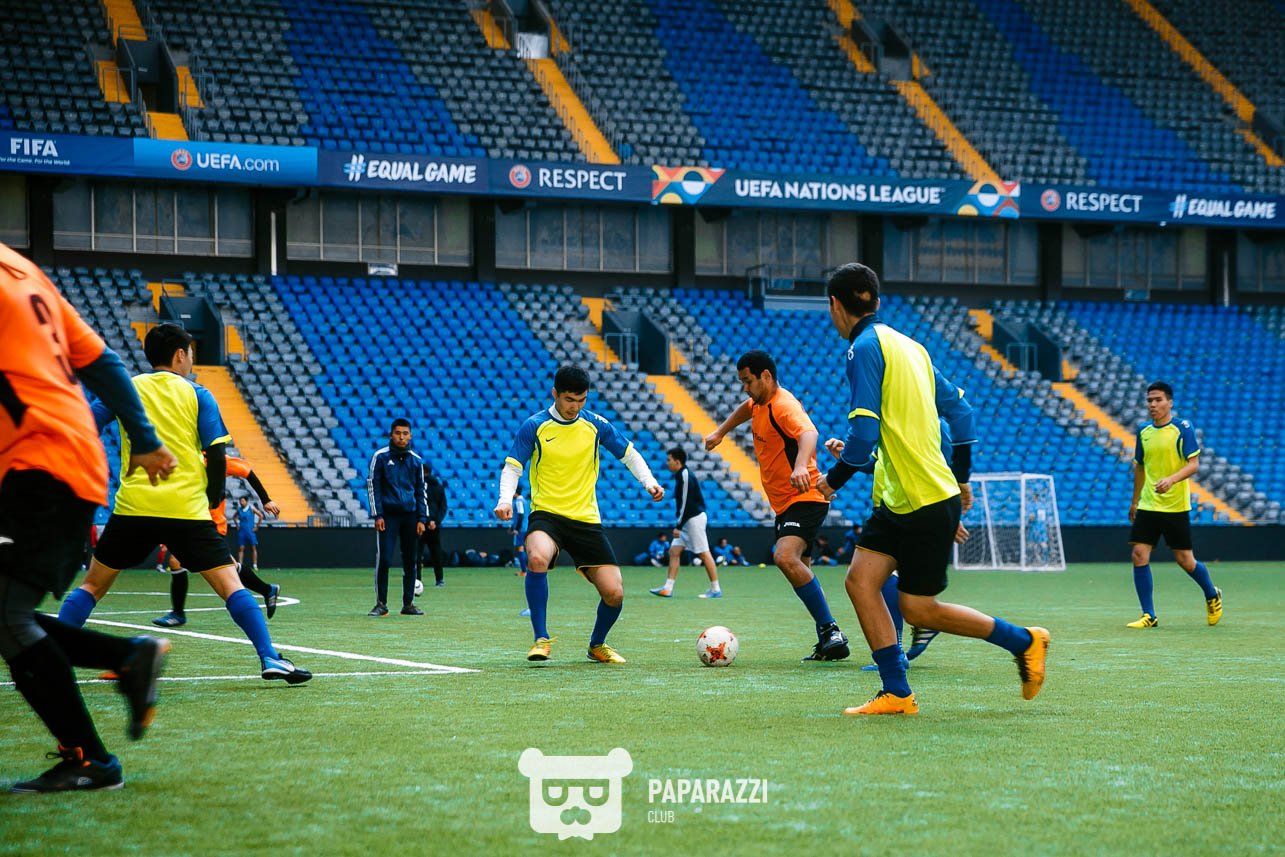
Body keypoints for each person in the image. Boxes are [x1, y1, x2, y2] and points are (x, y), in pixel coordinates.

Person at [816, 262, 1046, 715]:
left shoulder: (863, 348)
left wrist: (831, 480)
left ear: (835, 305)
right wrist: (962, 476)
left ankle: (1025, 641)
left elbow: (864, 434)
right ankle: (897, 692)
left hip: (922, 501)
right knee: (861, 582)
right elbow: (962, 412)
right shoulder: (912, 347)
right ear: (876, 301)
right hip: (905, 500)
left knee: (920, 610)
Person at [0, 244, 175, 792]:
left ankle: (91, 759)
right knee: (5, 610)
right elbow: (103, 362)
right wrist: (143, 438)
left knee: (7, 615)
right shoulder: (22, 269)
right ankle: (129, 657)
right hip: (64, 461)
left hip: (36, 466)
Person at [57, 322, 310, 686]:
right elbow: (217, 453)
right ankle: (270, 657)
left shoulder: (126, 387)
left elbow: (86, 427)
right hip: (186, 511)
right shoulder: (198, 394)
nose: (192, 360)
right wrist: (214, 496)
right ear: (180, 354)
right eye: (191, 353)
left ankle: (50, 660)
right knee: (231, 585)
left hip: (134, 507)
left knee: (92, 586)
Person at [494, 364, 665, 664]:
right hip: (547, 515)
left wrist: (649, 482)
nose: (575, 406)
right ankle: (541, 638)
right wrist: (505, 499)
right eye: (569, 400)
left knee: (614, 593)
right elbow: (513, 467)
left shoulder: (595, 425)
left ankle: (597, 645)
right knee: (537, 558)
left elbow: (628, 454)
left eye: (581, 400)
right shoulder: (534, 426)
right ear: (555, 394)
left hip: (586, 519)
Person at [704, 350, 851, 662]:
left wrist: (800, 466)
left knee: (784, 557)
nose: (745, 388)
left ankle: (830, 630)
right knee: (802, 570)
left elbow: (809, 433)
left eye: (748, 381)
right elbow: (745, 409)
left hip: (804, 496)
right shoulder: (759, 403)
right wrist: (720, 431)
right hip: (785, 503)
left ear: (766, 377)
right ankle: (829, 641)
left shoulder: (783, 405)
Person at [1126, 381, 1221, 628]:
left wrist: (1171, 479)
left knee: (1185, 560)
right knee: (1139, 554)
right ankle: (1149, 615)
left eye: (1158, 400)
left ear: (1170, 402)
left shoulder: (1182, 428)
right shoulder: (1143, 431)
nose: (1153, 404)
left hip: (1175, 505)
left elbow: (1193, 465)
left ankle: (1212, 594)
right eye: (1149, 400)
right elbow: (1140, 467)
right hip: (1149, 504)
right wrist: (1135, 500)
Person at [152, 453, 283, 627]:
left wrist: (266, 500)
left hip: (212, 524)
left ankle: (265, 593)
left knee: (223, 568)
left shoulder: (218, 458)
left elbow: (247, 471)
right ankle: (267, 590)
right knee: (178, 562)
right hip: (193, 521)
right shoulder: (188, 454)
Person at [366, 418, 427, 616]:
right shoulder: (380, 457)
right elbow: (373, 486)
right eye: (398, 433)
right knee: (384, 559)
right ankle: (381, 604)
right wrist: (378, 515)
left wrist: (422, 518)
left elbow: (421, 491)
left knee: (410, 560)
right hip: (388, 517)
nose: (402, 437)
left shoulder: (416, 461)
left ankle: (408, 604)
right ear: (391, 435)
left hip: (410, 516)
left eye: (405, 433)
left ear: (410, 436)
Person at [650, 448, 722, 599]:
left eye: (669, 460)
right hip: (687, 520)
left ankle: (716, 589)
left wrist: (678, 525)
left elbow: (685, 502)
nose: (667, 463)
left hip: (693, 519)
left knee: (703, 553)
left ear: (677, 461)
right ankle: (668, 588)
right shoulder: (680, 475)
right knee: (674, 551)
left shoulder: (685, 474)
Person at [417, 462, 449, 590]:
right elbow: (443, 507)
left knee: (417, 554)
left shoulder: (419, 486)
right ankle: (439, 579)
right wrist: (436, 521)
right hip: (434, 526)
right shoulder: (439, 487)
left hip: (420, 524)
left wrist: (427, 520)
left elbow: (421, 504)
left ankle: (417, 580)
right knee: (436, 553)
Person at [511, 486, 529, 577]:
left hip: (521, 528)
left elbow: (520, 515)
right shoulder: (525, 501)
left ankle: (524, 571)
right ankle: (525, 569)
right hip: (526, 526)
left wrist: (516, 529)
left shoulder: (518, 501)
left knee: (520, 548)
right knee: (522, 548)